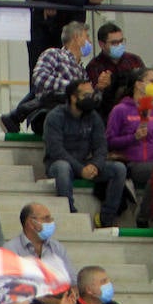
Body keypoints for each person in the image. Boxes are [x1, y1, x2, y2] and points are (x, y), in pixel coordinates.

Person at [42, 79, 127, 228]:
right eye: (87, 95)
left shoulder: (93, 117)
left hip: (86, 163)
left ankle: (107, 218)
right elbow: (56, 150)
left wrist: (96, 165)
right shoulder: (55, 117)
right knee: (62, 167)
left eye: (92, 94)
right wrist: (80, 170)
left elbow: (101, 146)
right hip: (59, 164)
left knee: (119, 169)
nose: (91, 98)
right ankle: (69, 213)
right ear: (73, 97)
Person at [8, 200, 75, 284]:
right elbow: (10, 285)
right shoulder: (10, 250)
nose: (51, 222)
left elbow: (71, 279)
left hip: (58, 294)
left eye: (50, 219)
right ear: (30, 223)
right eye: (46, 219)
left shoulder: (57, 247)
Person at [87, 22, 147, 115]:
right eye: (114, 43)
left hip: (137, 109)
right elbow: (93, 100)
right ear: (102, 44)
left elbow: (147, 83)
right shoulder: (94, 66)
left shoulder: (134, 60)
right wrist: (100, 88)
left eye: (121, 41)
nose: (119, 45)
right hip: (109, 113)